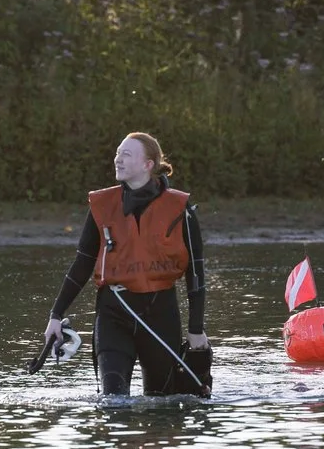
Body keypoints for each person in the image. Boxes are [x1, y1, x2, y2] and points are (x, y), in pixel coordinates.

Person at [43, 132, 210, 397]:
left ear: (148, 164)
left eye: (126, 154)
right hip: (113, 313)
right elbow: (82, 263)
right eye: (117, 153)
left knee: (161, 404)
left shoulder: (181, 208)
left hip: (160, 315)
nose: (118, 159)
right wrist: (56, 315)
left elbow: (196, 272)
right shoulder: (101, 205)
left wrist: (196, 330)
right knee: (113, 400)